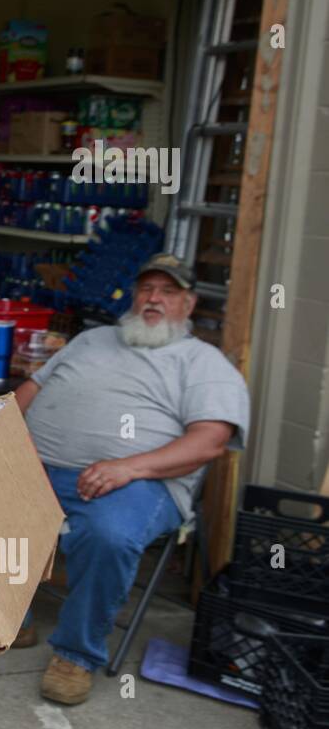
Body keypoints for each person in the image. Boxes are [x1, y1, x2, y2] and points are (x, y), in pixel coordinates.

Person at [14, 253, 250, 705]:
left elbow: (209, 442)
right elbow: (33, 389)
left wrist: (128, 466)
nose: (154, 299)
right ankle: (11, 619)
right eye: (146, 289)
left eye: (168, 291)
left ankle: (76, 654)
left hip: (139, 482)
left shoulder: (203, 362)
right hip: (39, 466)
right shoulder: (95, 339)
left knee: (109, 534)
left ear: (189, 303)